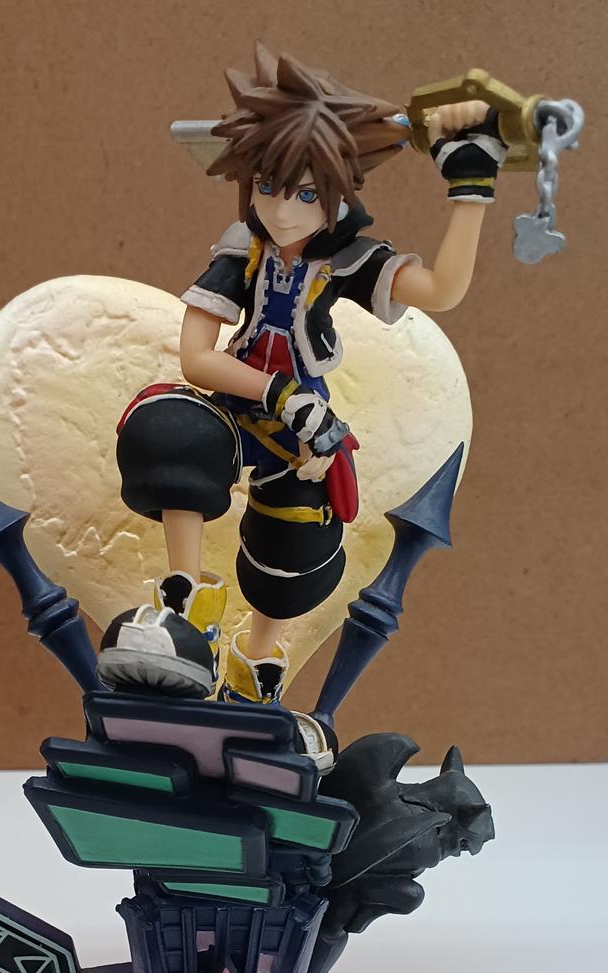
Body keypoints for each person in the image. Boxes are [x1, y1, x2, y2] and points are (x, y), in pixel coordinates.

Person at [101, 41, 507, 706]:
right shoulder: (244, 250)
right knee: (169, 431)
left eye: (307, 194)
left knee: (297, 545)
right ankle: (183, 610)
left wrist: (470, 188)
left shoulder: (347, 259)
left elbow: (441, 290)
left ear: (337, 193)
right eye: (267, 187)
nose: (282, 210)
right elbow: (197, 359)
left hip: (303, 432)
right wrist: (278, 393)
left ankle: (255, 660)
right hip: (242, 405)